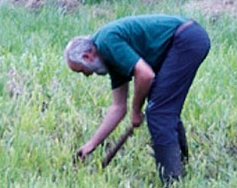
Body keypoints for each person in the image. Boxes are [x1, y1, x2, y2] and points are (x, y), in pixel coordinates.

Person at [64, 14, 210, 183]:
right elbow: (118, 108)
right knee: (162, 107)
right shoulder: (110, 58)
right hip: (186, 39)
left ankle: (173, 181)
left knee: (159, 112)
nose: (87, 75)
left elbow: (145, 74)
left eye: (82, 70)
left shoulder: (107, 42)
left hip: (187, 39)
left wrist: (136, 110)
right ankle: (181, 168)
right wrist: (91, 144)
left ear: (87, 56)